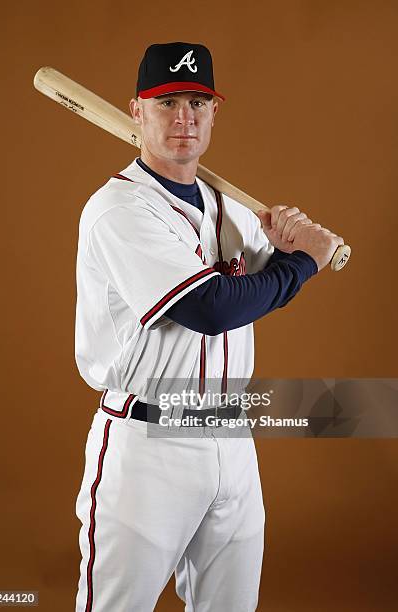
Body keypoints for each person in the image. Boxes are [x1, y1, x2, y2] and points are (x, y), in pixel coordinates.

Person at [74, 42, 344, 612]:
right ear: (136, 112)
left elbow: (263, 290)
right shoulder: (117, 210)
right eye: (166, 101)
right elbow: (213, 308)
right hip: (148, 443)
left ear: (214, 112)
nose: (183, 118)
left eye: (197, 102)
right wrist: (304, 262)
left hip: (232, 439)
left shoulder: (235, 213)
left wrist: (293, 240)